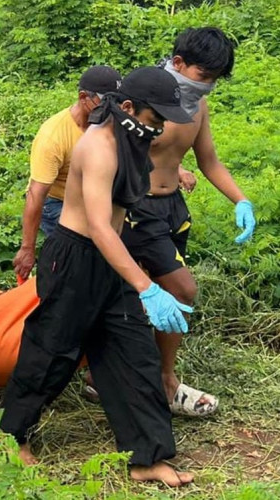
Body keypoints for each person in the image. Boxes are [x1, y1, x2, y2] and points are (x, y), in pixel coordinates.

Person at [0, 67, 195, 486]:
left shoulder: (134, 138)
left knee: (135, 354)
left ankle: (147, 457)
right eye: (154, 116)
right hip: (76, 257)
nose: (159, 126)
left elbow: (128, 214)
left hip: (113, 258)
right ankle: (11, 437)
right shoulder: (98, 146)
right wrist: (147, 287)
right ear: (127, 108)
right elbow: (100, 225)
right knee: (51, 352)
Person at [99, 27, 254, 417]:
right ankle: (164, 381)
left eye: (215, 81)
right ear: (179, 63)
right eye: (204, 77)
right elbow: (107, 149)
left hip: (173, 208)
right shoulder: (141, 95)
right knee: (181, 290)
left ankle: (132, 375)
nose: (208, 87)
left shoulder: (197, 105)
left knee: (153, 296)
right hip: (137, 208)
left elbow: (209, 160)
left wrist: (241, 199)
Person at [13, 66, 122, 281]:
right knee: (79, 253)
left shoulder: (111, 123)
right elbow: (37, 194)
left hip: (95, 196)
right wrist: (27, 248)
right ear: (84, 97)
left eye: (117, 102)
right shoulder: (53, 135)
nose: (114, 108)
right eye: (106, 102)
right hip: (58, 203)